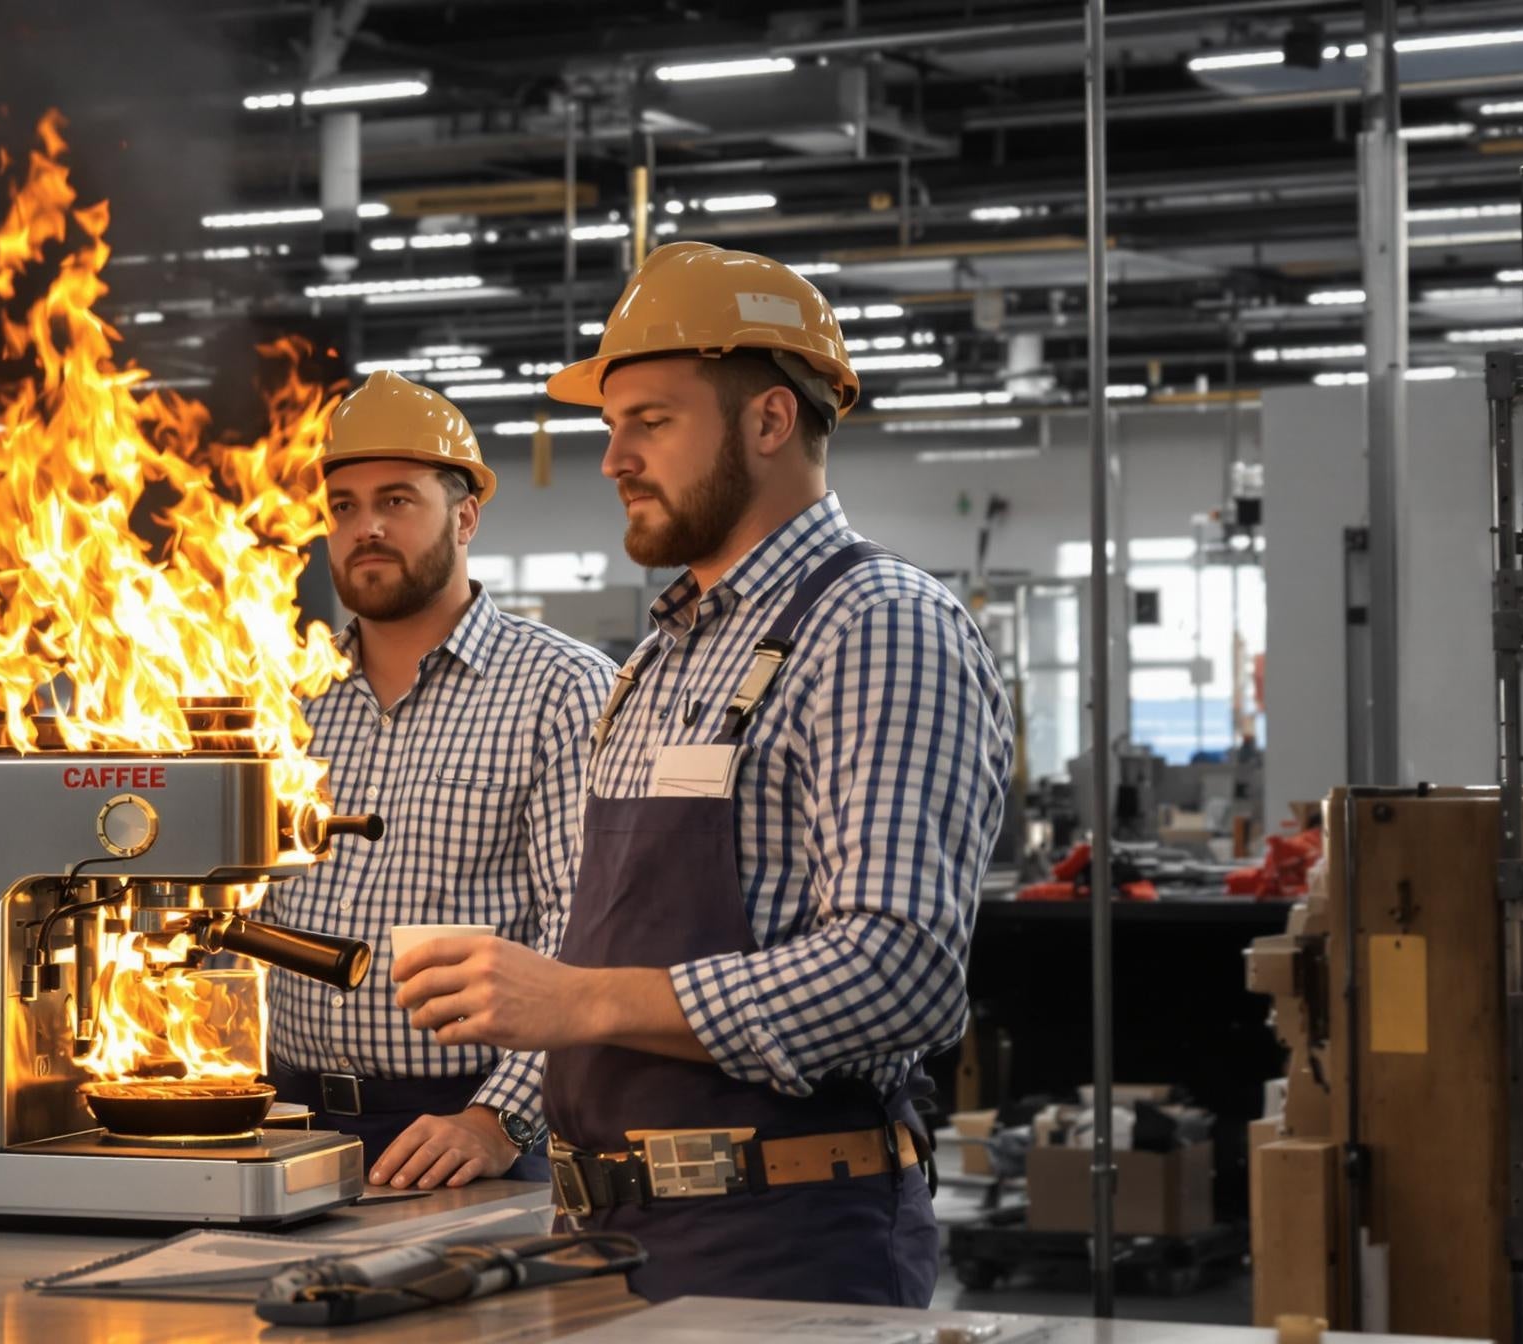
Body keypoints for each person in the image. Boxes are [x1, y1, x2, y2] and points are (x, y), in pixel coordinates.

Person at [393, 243, 1011, 1305]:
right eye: (609, 424)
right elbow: (611, 957)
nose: (613, 459)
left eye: (652, 421)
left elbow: (900, 968)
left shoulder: (876, 626)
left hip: (782, 1242)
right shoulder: (658, 659)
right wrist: (523, 1070)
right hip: (605, 1236)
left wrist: (576, 999)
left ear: (769, 421)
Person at [260, 371, 614, 1190]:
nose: (366, 527)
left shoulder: (560, 689)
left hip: (467, 1130)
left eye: (396, 500)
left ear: (466, 516)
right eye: (343, 506)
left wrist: (498, 1121)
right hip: (283, 1117)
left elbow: (586, 937)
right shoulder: (286, 696)